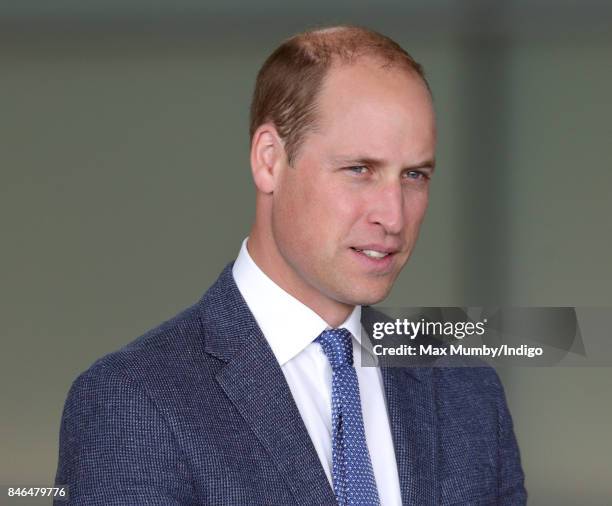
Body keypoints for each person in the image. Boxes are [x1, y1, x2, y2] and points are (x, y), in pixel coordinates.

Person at [54, 26, 527, 505]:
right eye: (359, 169)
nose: (393, 215)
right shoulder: (133, 401)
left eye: (414, 175)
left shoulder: (466, 391)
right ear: (269, 160)